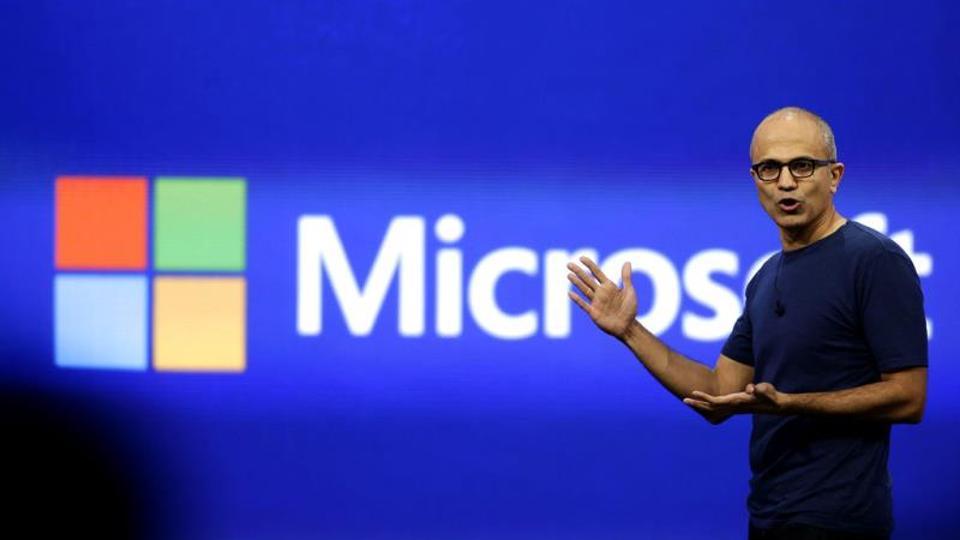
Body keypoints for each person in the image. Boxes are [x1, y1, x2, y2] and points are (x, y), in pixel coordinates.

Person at [566, 107, 928, 540]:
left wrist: (793, 403)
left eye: (802, 166)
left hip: (839, 520)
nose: (786, 183)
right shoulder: (766, 277)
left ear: (835, 176)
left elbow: (909, 397)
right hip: (770, 515)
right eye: (769, 169)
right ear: (755, 180)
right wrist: (629, 331)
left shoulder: (874, 261)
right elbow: (720, 391)